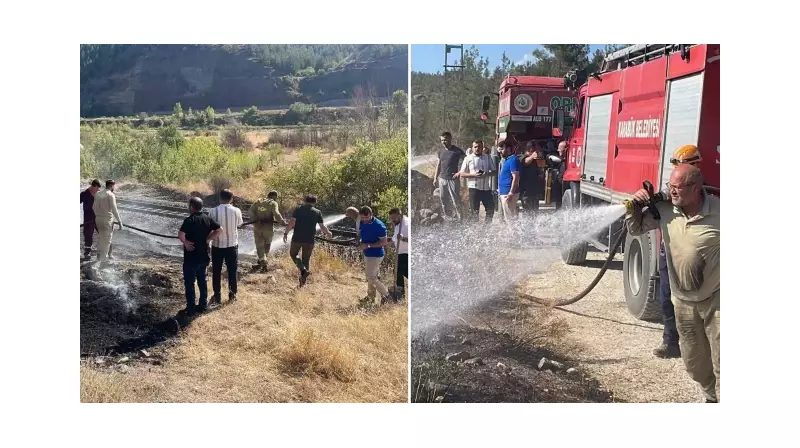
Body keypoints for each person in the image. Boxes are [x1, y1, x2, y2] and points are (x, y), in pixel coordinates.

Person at [625, 164, 720, 402]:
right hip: (683, 301)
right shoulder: (665, 210)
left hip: (717, 298)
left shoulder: (721, 212)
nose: (672, 192)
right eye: (670, 186)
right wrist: (634, 207)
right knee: (694, 364)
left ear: (696, 188)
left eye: (677, 187)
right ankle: (710, 394)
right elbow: (635, 228)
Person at [654, 144, 704, 359]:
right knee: (667, 296)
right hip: (671, 251)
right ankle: (670, 341)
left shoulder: (704, 194)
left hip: (695, 253)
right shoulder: (668, 195)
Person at [178, 197, 223, 315]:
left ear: (192, 207)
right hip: (204, 256)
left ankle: (191, 308)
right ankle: (203, 306)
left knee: (189, 283)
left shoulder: (189, 220)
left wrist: (186, 242)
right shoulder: (207, 218)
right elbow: (219, 229)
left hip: (190, 257)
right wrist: (209, 239)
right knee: (202, 282)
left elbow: (181, 234)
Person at [283, 195, 332, 287]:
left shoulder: (298, 209)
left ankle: (303, 269)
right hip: (309, 240)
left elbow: (292, 222)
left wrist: (286, 233)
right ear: (315, 202)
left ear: (305, 201)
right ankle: (303, 282)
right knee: (306, 260)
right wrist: (328, 233)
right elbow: (322, 227)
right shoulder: (317, 212)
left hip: (297, 238)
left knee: (293, 254)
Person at [208, 189, 243, 306]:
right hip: (232, 245)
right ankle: (232, 296)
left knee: (216, 271)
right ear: (231, 199)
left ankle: (217, 296)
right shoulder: (236, 210)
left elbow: (209, 228)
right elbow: (239, 224)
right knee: (232, 271)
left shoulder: (212, 211)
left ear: (219, 198)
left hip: (217, 246)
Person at [357, 206, 392, 305]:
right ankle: (370, 297)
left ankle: (386, 296)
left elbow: (384, 242)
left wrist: (367, 245)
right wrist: (359, 241)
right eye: (362, 218)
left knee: (371, 277)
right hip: (367, 254)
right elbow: (361, 233)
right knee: (370, 276)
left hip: (376, 255)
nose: (364, 220)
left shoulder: (379, 226)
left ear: (371, 215)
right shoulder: (362, 222)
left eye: (366, 218)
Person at [457, 140, 496, 223]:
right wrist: (474, 175)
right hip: (474, 188)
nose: (477, 148)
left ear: (482, 147)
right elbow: (462, 174)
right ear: (472, 148)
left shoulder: (487, 157)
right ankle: (475, 232)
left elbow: (494, 171)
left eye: (479, 147)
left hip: (486, 188)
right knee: (475, 212)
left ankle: (487, 228)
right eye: (475, 147)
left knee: (491, 208)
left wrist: (487, 174)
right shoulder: (468, 158)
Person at [249, 190, 287, 272]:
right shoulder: (273, 203)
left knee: (259, 246)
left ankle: (261, 262)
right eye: (276, 197)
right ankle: (264, 264)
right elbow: (276, 214)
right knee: (267, 245)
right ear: (274, 196)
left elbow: (250, 211)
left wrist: (255, 220)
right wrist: (282, 222)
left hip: (257, 228)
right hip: (268, 229)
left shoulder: (258, 201)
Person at [432, 131, 466, 220]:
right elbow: (438, 165)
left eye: (445, 140)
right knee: (443, 199)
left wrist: (460, 172)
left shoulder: (457, 151)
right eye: (442, 140)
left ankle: (461, 218)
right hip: (442, 179)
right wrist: (435, 178)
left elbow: (466, 161)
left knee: (456, 200)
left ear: (450, 139)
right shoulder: (441, 151)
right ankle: (448, 217)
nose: (443, 142)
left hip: (453, 179)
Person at [92, 180, 123, 265]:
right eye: (114, 186)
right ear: (112, 186)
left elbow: (94, 207)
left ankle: (98, 257)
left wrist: (98, 215)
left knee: (101, 237)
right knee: (107, 240)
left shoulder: (98, 194)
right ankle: (103, 260)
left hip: (98, 219)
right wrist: (119, 221)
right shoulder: (110, 195)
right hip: (107, 220)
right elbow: (114, 209)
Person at [388, 208, 409, 301]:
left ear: (399, 215)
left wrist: (403, 238)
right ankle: (400, 296)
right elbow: (395, 239)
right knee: (398, 273)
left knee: (402, 272)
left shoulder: (407, 224)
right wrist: (392, 244)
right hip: (400, 253)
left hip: (407, 253)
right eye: (391, 218)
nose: (392, 220)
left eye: (394, 217)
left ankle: (401, 296)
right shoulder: (397, 225)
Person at [497, 141, 521, 221]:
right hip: (505, 192)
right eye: (499, 149)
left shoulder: (513, 160)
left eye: (502, 149)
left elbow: (516, 177)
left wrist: (511, 192)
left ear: (508, 148)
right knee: (510, 218)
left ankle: (513, 234)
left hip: (508, 193)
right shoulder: (507, 160)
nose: (500, 151)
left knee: (510, 219)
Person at [518, 141, 544, 213]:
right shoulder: (522, 157)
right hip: (526, 191)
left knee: (535, 212)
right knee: (527, 211)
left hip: (534, 191)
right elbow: (525, 162)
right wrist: (532, 156)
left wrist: (541, 174)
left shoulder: (534, 161)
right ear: (531, 149)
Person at [80, 179, 102, 260]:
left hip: (98, 217)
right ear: (93, 186)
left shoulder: (97, 194)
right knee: (88, 235)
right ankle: (87, 252)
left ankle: (102, 251)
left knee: (102, 232)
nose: (98, 190)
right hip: (88, 218)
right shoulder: (84, 194)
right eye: (97, 188)